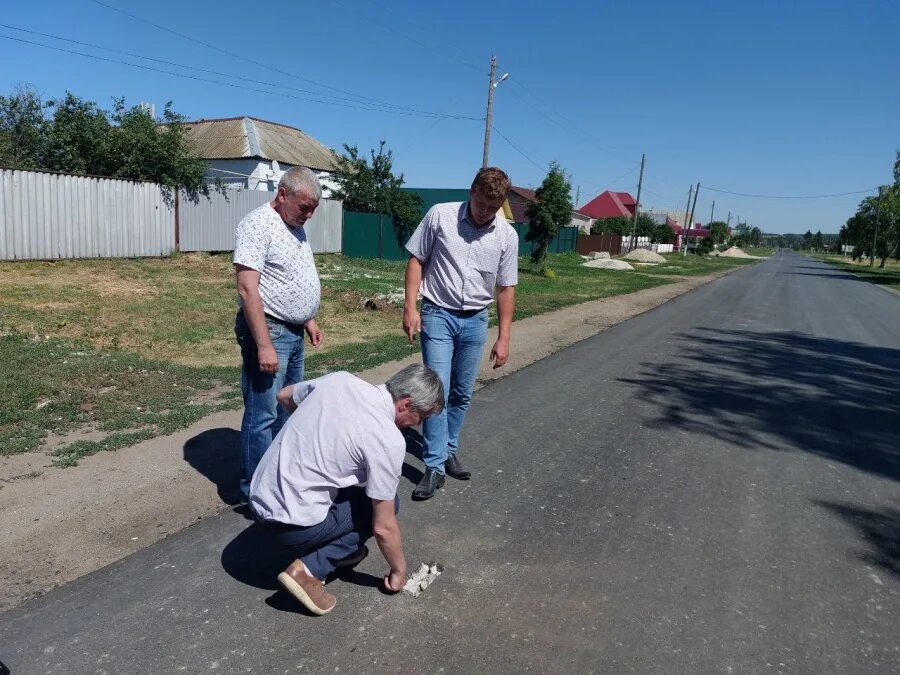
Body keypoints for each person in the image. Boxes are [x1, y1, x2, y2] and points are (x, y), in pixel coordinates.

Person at [249, 364, 445, 615]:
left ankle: (339, 549)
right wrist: (399, 570)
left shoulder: (340, 381)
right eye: (422, 417)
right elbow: (383, 527)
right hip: (287, 527)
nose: (417, 424)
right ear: (406, 405)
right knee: (385, 505)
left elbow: (284, 395)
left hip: (257, 498)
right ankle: (309, 571)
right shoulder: (389, 440)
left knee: (352, 486)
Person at [402, 167, 518, 501]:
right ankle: (434, 465)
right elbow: (416, 260)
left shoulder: (506, 236)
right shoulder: (440, 216)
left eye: (493, 208)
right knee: (437, 391)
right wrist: (410, 307)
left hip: (475, 320)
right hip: (437, 314)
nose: (485, 213)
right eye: (481, 204)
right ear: (472, 192)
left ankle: (449, 447)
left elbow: (506, 288)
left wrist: (504, 336)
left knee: (463, 392)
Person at [233, 166, 325, 502]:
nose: (309, 215)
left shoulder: (294, 225)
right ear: (282, 195)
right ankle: (254, 493)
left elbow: (290, 276)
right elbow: (247, 289)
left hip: (294, 332)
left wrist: (309, 319)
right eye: (305, 207)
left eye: (314, 208)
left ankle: (277, 479)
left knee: (287, 406)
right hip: (270, 332)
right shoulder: (258, 224)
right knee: (263, 414)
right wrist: (264, 345)